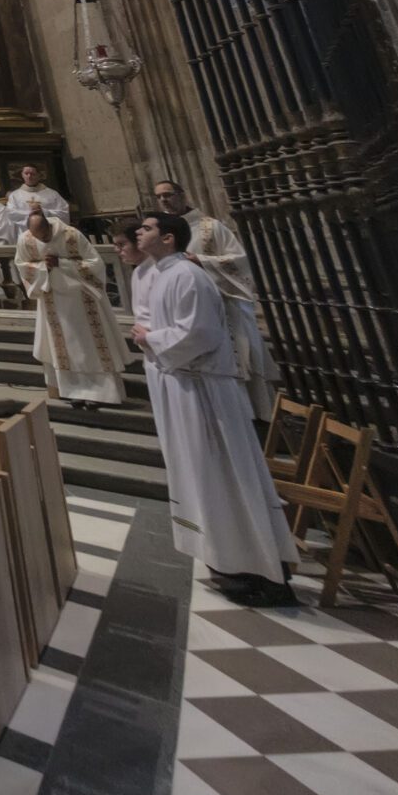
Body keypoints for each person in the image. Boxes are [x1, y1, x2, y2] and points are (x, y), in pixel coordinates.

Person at [126, 213, 295, 605]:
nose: (138, 233)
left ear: (169, 238)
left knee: (225, 475)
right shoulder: (159, 275)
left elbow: (201, 334)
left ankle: (259, 569)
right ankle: (226, 560)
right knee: (203, 475)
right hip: (182, 384)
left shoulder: (188, 275)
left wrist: (151, 337)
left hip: (203, 389)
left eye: (146, 228)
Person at [155, 180, 277, 421]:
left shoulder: (210, 227)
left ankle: (257, 413)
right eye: (159, 197)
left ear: (182, 194)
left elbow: (241, 261)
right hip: (189, 309)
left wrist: (202, 261)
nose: (163, 200)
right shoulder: (160, 232)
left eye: (167, 195)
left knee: (239, 358)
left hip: (224, 303)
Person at [19, 209, 126, 407]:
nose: (41, 240)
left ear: (48, 226)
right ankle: (73, 390)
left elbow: (95, 263)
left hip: (82, 298)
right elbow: (23, 266)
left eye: (44, 235)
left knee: (89, 346)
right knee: (64, 348)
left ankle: (102, 393)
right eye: (37, 236)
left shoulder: (71, 235)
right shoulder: (26, 240)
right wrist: (44, 268)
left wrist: (62, 263)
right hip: (52, 299)